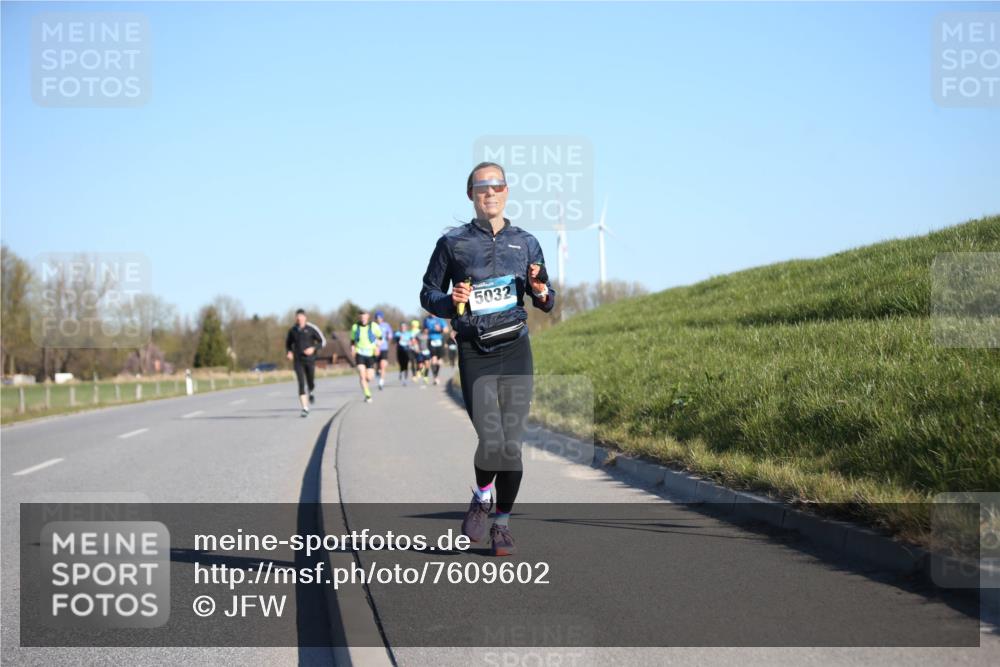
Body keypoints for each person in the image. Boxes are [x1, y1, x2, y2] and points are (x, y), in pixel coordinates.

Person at [420, 161, 555, 556]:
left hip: (515, 348)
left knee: (510, 445)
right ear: (471, 195)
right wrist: (451, 301)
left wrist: (540, 289)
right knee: (492, 440)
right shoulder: (453, 243)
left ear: (507, 192)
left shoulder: (526, 242)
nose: (490, 193)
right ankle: (482, 495)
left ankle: (502, 525)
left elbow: (546, 300)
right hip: (474, 351)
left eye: (497, 186)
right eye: (482, 187)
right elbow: (428, 293)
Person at [285, 309, 326, 417]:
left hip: (310, 360)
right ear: (296, 319)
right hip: (298, 361)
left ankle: (311, 391)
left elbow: (323, 341)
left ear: (305, 318)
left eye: (301, 317)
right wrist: (289, 352)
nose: (299, 319)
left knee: (310, 382)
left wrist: (313, 348)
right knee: (301, 384)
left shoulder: (311, 328)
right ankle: (305, 408)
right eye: (297, 318)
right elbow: (288, 344)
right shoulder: (292, 330)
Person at [350, 310, 382, 403]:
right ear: (359, 317)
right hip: (359, 353)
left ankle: (366, 387)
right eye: (361, 317)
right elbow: (352, 340)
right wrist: (352, 349)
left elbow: (380, 338)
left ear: (368, 316)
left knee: (369, 377)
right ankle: (367, 394)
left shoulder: (374, 326)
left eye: (365, 316)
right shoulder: (355, 327)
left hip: (371, 354)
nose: (363, 318)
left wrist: (378, 347)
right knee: (361, 374)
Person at [422, 313, 449, 385]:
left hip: (440, 340)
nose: (431, 313)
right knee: (433, 359)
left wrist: (440, 329)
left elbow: (446, 330)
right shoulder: (426, 319)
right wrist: (426, 331)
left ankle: (436, 375)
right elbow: (424, 330)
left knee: (439, 361)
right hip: (431, 340)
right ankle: (435, 377)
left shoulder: (440, 319)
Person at [373, 310, 393, 391]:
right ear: (375, 318)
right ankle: (378, 372)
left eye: (380, 318)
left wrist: (389, 337)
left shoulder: (386, 325)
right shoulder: (373, 326)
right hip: (375, 348)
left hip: (384, 348)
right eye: (377, 318)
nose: (379, 319)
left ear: (382, 318)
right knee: (377, 366)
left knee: (383, 365)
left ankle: (381, 382)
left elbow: (390, 334)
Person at [394, 321, 414, 385]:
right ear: (400, 327)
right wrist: (398, 339)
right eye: (402, 327)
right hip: (400, 351)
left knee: (406, 364)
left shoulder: (409, 333)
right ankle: (401, 372)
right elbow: (394, 341)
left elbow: (413, 341)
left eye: (404, 327)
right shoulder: (397, 333)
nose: (403, 328)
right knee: (401, 364)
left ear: (406, 327)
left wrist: (411, 342)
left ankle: (405, 379)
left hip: (407, 351)